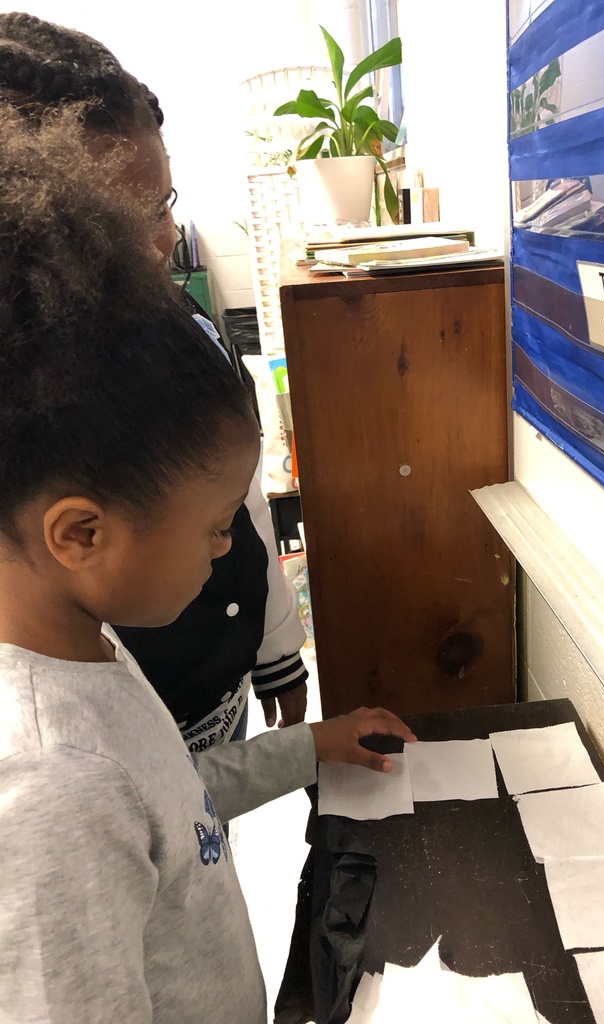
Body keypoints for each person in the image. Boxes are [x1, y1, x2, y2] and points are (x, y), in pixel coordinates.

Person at [0, 103, 416, 1024]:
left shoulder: (93, 652)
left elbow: (177, 804)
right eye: (216, 529)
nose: (233, 555)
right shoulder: (52, 790)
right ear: (81, 533)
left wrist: (309, 747)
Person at [0, 11, 307, 750]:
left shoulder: (181, 334)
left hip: (210, 709)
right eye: (121, 217)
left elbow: (240, 509)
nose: (165, 240)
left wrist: (275, 655)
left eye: (164, 204)